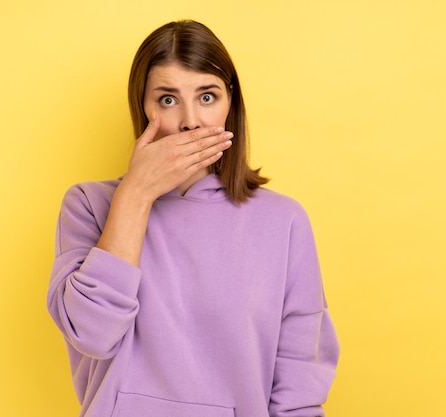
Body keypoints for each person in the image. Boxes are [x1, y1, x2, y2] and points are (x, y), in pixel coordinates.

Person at [47, 20, 339, 417]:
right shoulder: (90, 206)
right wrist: (135, 194)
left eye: (207, 96)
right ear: (142, 107)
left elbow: (299, 386)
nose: (190, 121)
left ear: (230, 103)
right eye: (167, 99)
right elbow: (93, 335)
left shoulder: (283, 221)